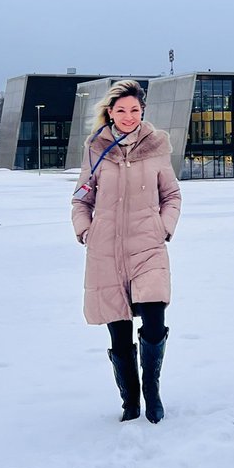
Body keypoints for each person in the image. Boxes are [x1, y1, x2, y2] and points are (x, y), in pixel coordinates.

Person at [71, 80, 181, 423]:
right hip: (106, 252)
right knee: (118, 331)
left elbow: (172, 196)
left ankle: (152, 390)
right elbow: (81, 198)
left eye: (134, 110)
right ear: (110, 112)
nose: (128, 116)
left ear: (142, 111)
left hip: (147, 247)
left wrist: (163, 227)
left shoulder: (157, 147)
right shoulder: (96, 149)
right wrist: (86, 230)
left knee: (154, 321)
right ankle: (130, 401)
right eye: (121, 110)